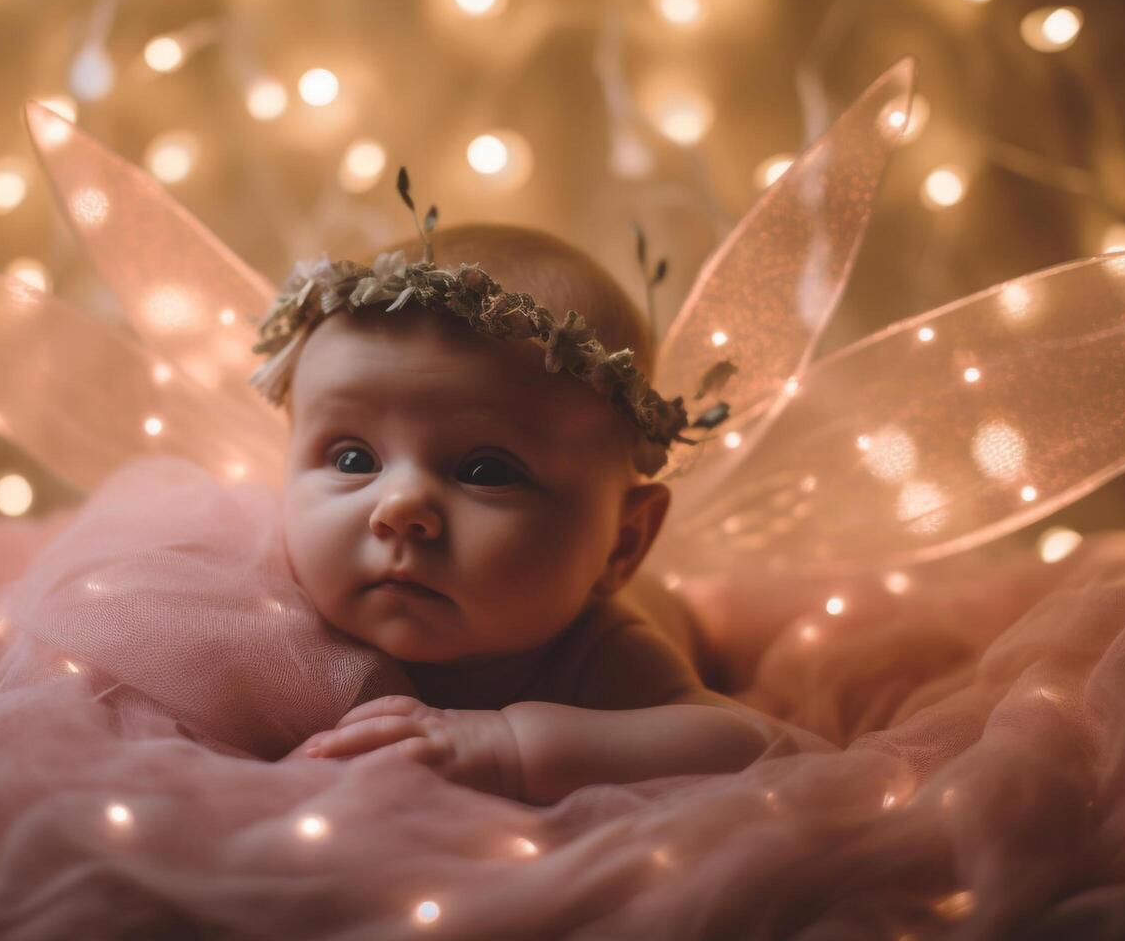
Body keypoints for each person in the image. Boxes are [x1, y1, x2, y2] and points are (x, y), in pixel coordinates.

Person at [252, 221, 809, 803]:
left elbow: (762, 745)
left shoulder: (605, 650)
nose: (399, 509)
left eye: (485, 472)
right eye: (351, 458)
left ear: (622, 543)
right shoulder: (263, 615)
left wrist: (508, 746)